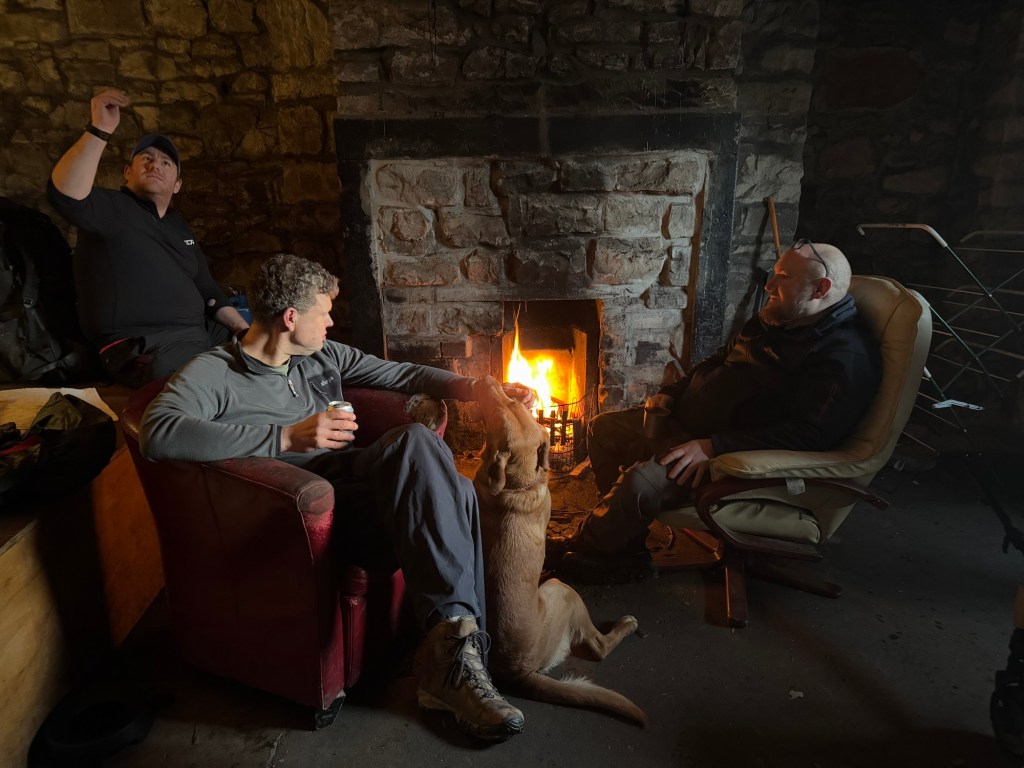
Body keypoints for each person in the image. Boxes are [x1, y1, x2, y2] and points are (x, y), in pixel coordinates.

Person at [139, 253, 535, 742]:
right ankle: (461, 661)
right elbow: (157, 433)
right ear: (290, 318)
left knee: (423, 450)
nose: (331, 321)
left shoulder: (321, 356)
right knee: (450, 488)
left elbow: (401, 375)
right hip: (307, 515)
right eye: (323, 312)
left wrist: (479, 388)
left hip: (358, 478)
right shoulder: (213, 373)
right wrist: (287, 438)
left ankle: (456, 649)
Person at [558, 240, 883, 581]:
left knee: (640, 484)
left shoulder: (842, 357)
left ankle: (595, 552)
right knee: (603, 429)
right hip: (690, 429)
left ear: (821, 288)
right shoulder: (779, 319)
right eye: (773, 274)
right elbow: (718, 361)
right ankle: (620, 542)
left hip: (730, 459)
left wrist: (715, 447)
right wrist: (672, 392)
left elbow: (812, 435)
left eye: (782, 277)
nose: (769, 286)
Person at [47, 88, 249, 387]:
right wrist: (100, 129)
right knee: (216, 389)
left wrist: (245, 331)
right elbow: (65, 196)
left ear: (177, 184)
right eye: (147, 158)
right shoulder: (111, 209)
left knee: (280, 350)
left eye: (166, 163)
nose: (156, 164)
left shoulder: (178, 226)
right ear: (127, 172)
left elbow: (206, 286)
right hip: (146, 343)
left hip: (202, 332)